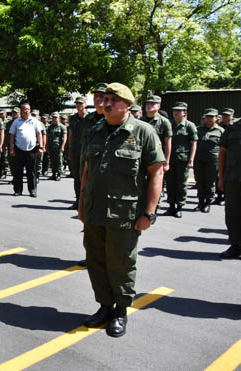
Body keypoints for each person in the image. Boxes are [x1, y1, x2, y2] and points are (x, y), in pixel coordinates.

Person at [79, 83, 164, 338]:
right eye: (104, 99)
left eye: (112, 101)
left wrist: (149, 213)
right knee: (96, 261)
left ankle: (120, 311)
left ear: (127, 105)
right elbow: (87, 171)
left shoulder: (143, 132)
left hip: (125, 214)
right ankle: (105, 307)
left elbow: (156, 172)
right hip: (95, 211)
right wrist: (81, 204)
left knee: (121, 263)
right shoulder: (95, 130)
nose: (106, 104)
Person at [165, 102, 197, 218]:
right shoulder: (169, 125)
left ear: (184, 113)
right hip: (170, 159)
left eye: (179, 111)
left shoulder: (189, 126)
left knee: (181, 184)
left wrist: (191, 160)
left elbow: (194, 143)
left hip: (182, 160)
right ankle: (171, 206)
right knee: (170, 183)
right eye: (174, 110)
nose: (176, 112)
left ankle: (179, 206)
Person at [218, 115, 241, 259]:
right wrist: (221, 177)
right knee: (232, 213)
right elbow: (223, 152)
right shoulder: (233, 127)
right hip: (233, 178)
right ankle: (236, 245)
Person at [10, 103, 43, 197]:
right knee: (18, 171)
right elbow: (12, 135)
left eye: (28, 109)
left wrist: (41, 147)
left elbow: (39, 134)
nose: (26, 111)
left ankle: (32, 190)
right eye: (24, 109)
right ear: (21, 111)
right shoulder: (16, 122)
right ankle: (18, 190)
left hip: (31, 150)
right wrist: (11, 148)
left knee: (31, 172)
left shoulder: (35, 121)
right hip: (19, 149)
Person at [194, 108, 224, 213]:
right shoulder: (198, 129)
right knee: (199, 181)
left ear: (216, 118)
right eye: (207, 117)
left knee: (210, 182)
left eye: (211, 117)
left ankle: (208, 202)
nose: (209, 119)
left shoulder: (220, 131)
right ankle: (200, 202)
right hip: (199, 159)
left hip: (212, 160)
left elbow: (224, 148)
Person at [68, 96, 88, 209]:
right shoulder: (73, 118)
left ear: (85, 105)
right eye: (77, 104)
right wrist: (70, 151)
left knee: (87, 178)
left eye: (80, 103)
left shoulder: (90, 118)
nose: (78, 106)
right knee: (77, 178)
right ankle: (78, 201)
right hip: (76, 151)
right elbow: (70, 135)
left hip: (86, 151)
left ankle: (87, 202)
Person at [214, 108, 235, 205]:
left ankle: (227, 196)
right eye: (224, 115)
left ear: (232, 116)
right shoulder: (219, 126)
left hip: (232, 157)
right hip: (222, 154)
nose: (225, 117)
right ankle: (219, 196)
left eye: (227, 115)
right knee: (219, 176)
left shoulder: (235, 127)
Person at [45, 112, 67, 181]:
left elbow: (64, 137)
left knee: (59, 161)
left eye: (56, 117)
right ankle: (54, 174)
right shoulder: (50, 127)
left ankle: (58, 174)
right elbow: (47, 137)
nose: (54, 119)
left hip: (58, 147)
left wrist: (62, 146)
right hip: (51, 146)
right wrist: (46, 146)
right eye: (53, 117)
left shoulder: (62, 127)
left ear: (59, 118)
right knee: (52, 161)